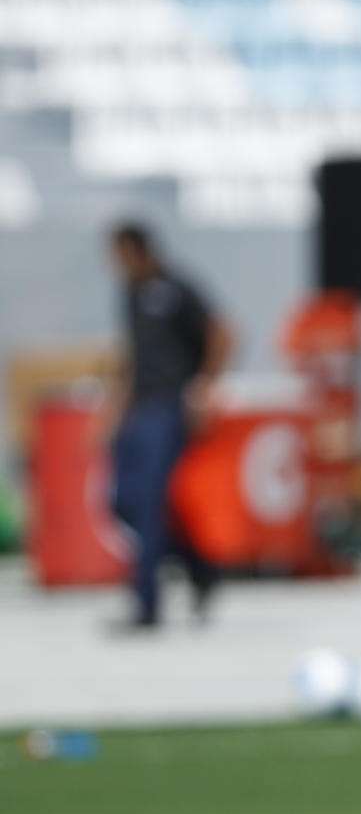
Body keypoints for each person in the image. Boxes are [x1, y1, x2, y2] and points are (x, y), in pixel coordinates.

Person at [105, 221, 228, 628]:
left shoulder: (176, 289)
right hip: (138, 410)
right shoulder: (132, 295)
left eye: (121, 256)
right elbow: (131, 357)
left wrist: (203, 388)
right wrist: (112, 412)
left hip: (169, 408)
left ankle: (146, 605)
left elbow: (221, 334)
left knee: (151, 502)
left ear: (139, 252)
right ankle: (200, 570)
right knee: (123, 502)